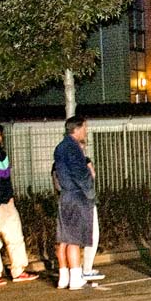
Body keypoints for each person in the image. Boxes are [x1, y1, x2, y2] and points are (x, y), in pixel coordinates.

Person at [0, 123, 39, 287]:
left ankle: (18, 271)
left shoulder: (3, 155)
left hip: (7, 202)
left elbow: (6, 179)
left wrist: (10, 197)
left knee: (16, 236)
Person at [53, 116, 95, 290]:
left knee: (67, 238)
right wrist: (90, 191)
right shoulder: (73, 147)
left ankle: (65, 278)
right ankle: (76, 279)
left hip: (65, 196)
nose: (86, 131)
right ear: (76, 129)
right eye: (84, 127)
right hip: (76, 196)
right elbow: (80, 173)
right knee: (75, 240)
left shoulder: (60, 147)